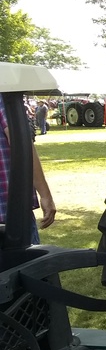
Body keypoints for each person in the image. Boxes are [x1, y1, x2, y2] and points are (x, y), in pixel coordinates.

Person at [0, 95, 56, 244]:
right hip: (10, 214)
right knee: (23, 264)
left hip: (9, 210)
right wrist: (45, 194)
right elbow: (20, 143)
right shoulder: (4, 96)